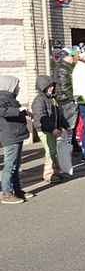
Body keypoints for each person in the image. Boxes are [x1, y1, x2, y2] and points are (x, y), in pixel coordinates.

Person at [0, 76, 31, 204]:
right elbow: (3, 111)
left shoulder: (10, 98)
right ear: (10, 86)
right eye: (17, 85)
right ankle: (6, 193)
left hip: (17, 134)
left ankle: (17, 190)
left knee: (16, 166)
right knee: (10, 165)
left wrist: (23, 113)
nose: (19, 88)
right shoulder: (2, 98)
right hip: (10, 136)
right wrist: (18, 111)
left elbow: (13, 113)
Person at [31, 76, 66, 183]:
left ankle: (55, 172)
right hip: (45, 130)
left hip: (52, 129)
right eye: (49, 86)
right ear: (43, 87)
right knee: (50, 151)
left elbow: (59, 115)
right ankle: (49, 174)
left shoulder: (52, 98)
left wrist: (64, 126)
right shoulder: (39, 100)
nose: (51, 88)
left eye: (52, 86)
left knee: (54, 151)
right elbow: (42, 118)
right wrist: (52, 129)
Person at [55, 48, 81, 153]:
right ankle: (66, 149)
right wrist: (73, 98)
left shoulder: (68, 67)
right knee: (69, 126)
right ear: (67, 56)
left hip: (67, 100)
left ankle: (72, 146)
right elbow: (65, 87)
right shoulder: (63, 68)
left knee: (71, 126)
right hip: (66, 101)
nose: (74, 58)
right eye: (72, 56)